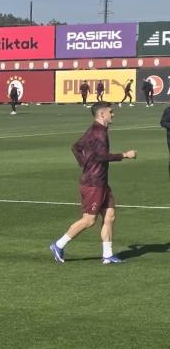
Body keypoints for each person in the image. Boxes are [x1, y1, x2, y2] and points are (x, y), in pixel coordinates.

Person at [49, 102, 136, 265]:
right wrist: (125, 155)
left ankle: (108, 255)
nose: (113, 114)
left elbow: (76, 147)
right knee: (89, 220)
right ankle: (58, 245)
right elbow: (101, 156)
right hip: (93, 183)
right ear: (102, 114)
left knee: (110, 216)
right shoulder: (98, 133)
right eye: (111, 112)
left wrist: (84, 163)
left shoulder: (95, 129)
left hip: (101, 181)